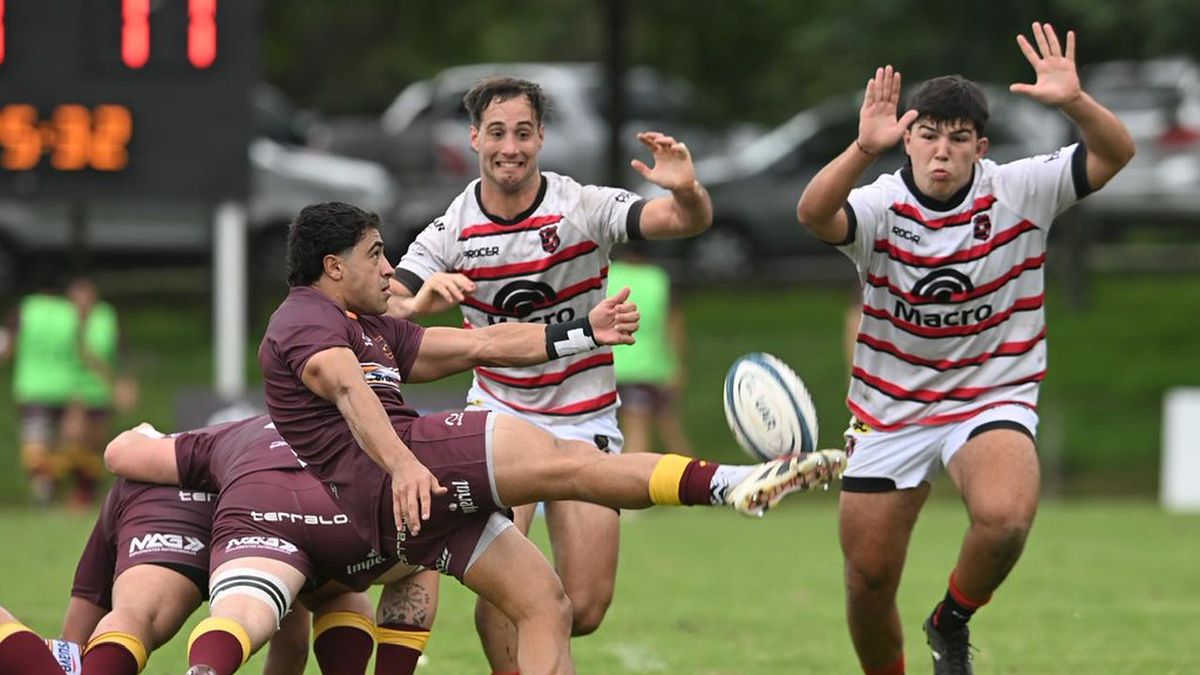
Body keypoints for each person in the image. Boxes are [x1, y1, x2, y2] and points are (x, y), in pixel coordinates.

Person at [161, 200, 844, 675]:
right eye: (375, 255)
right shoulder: (303, 317)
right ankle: (730, 483)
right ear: (332, 266)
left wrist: (579, 329)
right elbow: (347, 390)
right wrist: (403, 464)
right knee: (565, 461)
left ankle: (732, 486)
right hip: (399, 474)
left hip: (400, 509)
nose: (390, 268)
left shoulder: (373, 325)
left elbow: (478, 342)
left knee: (542, 601)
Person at [794, 22, 1134, 675]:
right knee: (867, 584)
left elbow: (1116, 153)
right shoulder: (881, 204)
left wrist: (1074, 102)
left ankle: (950, 619)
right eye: (927, 135)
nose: (941, 152)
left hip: (990, 395)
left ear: (980, 146)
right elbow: (813, 214)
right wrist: (862, 148)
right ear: (908, 139)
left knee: (1005, 517)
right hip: (891, 409)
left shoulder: (1020, 189)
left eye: (957, 140)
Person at [386, 75, 714, 672]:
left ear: (540, 137)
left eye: (522, 133)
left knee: (583, 607)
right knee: (518, 594)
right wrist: (420, 296)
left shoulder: (582, 207)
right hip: (498, 419)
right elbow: (385, 305)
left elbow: (681, 221)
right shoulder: (451, 228)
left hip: (585, 415)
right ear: (474, 138)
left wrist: (688, 190)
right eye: (496, 133)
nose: (509, 147)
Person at [607, 244, 693, 456]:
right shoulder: (658, 278)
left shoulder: (608, 275)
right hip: (649, 369)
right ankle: (697, 482)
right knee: (657, 431)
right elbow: (673, 325)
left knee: (622, 431)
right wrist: (678, 365)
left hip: (611, 367)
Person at [3, 275, 77, 505]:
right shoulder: (70, 311)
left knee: (36, 441)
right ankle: (52, 486)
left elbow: (8, 345)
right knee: (56, 443)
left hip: (33, 386)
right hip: (65, 385)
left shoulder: (26, 309)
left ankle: (43, 487)